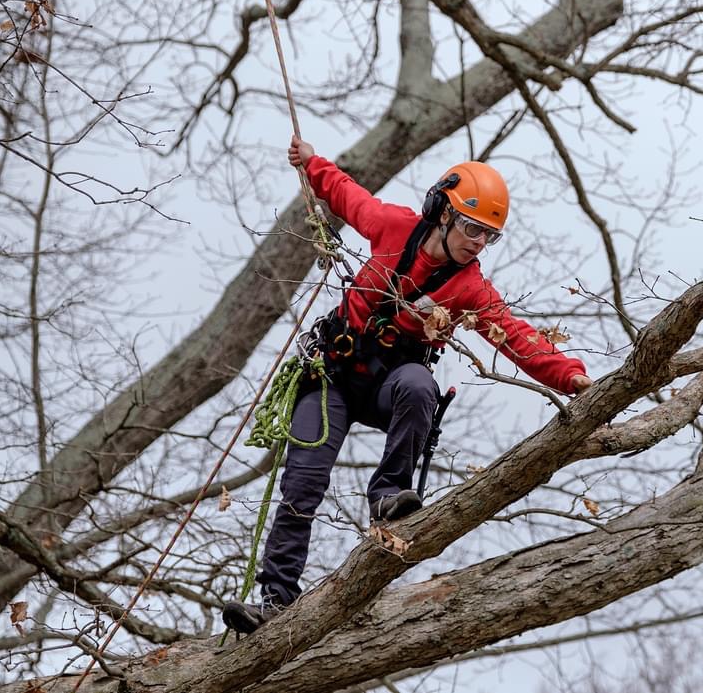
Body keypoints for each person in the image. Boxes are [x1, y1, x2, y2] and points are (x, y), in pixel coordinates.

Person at [222, 135, 592, 634]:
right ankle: (275, 599)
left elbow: (517, 338)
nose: (477, 242)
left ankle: (388, 494)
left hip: (387, 386)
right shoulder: (394, 227)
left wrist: (570, 376)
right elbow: (348, 195)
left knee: (420, 384)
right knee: (302, 483)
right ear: (442, 212)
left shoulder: (471, 290)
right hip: (330, 377)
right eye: (471, 227)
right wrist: (312, 164)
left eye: (488, 235)